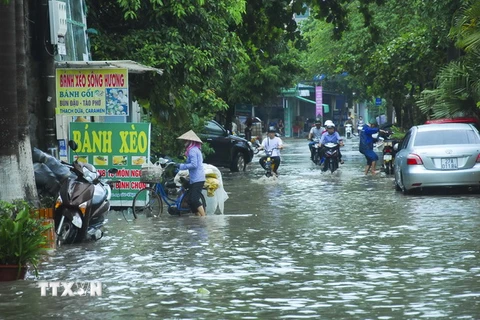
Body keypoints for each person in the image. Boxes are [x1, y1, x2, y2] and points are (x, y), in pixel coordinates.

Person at [177, 130, 206, 216]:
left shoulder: (192, 151)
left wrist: (181, 166)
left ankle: (204, 217)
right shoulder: (195, 149)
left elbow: (194, 164)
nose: (184, 142)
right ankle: (198, 217)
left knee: (194, 199)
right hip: (195, 179)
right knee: (190, 200)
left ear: (190, 141)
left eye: (186, 141)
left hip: (198, 179)